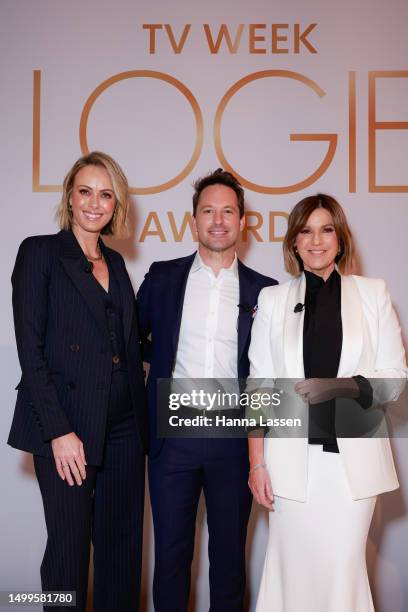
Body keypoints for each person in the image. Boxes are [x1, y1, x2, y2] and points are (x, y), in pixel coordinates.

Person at [247, 193, 407, 612]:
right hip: (289, 465)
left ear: (340, 238)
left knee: (341, 571)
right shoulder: (273, 300)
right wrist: (256, 462)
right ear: (294, 242)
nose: (316, 240)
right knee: (290, 573)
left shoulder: (372, 294)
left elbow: (395, 380)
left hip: (350, 469)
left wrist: (337, 386)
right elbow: (259, 388)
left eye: (326, 229)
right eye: (305, 230)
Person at [8, 151, 148, 612]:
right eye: (85, 191)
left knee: (121, 556)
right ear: (70, 197)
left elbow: (127, 351)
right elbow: (30, 351)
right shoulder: (40, 252)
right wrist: (58, 432)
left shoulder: (117, 263)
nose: (95, 203)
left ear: (116, 203)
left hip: (125, 427)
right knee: (67, 559)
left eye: (106, 194)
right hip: (68, 427)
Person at [137, 168, 278, 612]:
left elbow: (268, 376)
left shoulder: (266, 292)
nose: (218, 220)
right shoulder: (162, 278)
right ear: (194, 220)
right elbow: (127, 346)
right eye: (208, 211)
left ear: (242, 221)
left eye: (228, 212)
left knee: (229, 564)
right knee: (172, 559)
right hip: (171, 440)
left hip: (233, 444)